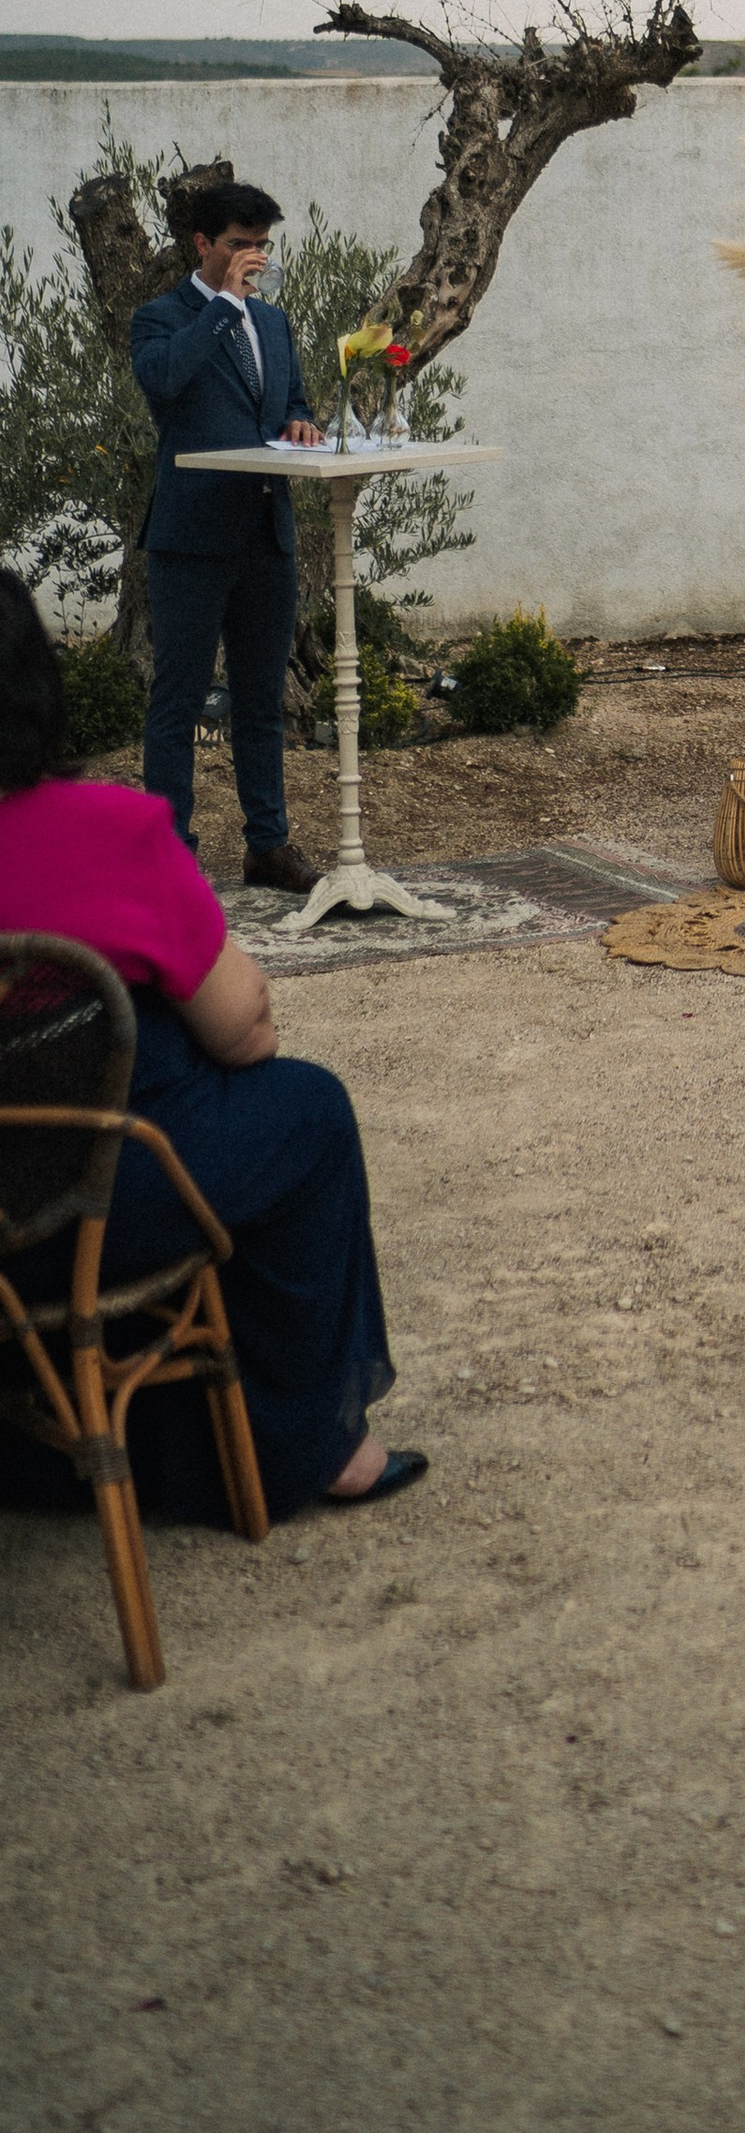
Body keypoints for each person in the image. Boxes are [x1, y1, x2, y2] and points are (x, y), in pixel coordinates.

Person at [0, 572, 421, 1520]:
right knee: (305, 1113)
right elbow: (246, 1034)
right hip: (107, 1212)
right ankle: (320, 1443)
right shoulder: (114, 835)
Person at [129, 177, 327, 898]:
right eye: (241, 245)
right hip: (190, 537)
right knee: (178, 702)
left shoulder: (273, 324)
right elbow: (167, 383)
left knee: (260, 701)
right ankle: (169, 854)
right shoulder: (160, 318)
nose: (254, 257)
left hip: (264, 533)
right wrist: (224, 306)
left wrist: (302, 425)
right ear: (203, 245)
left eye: (263, 245)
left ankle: (267, 846)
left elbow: (292, 403)